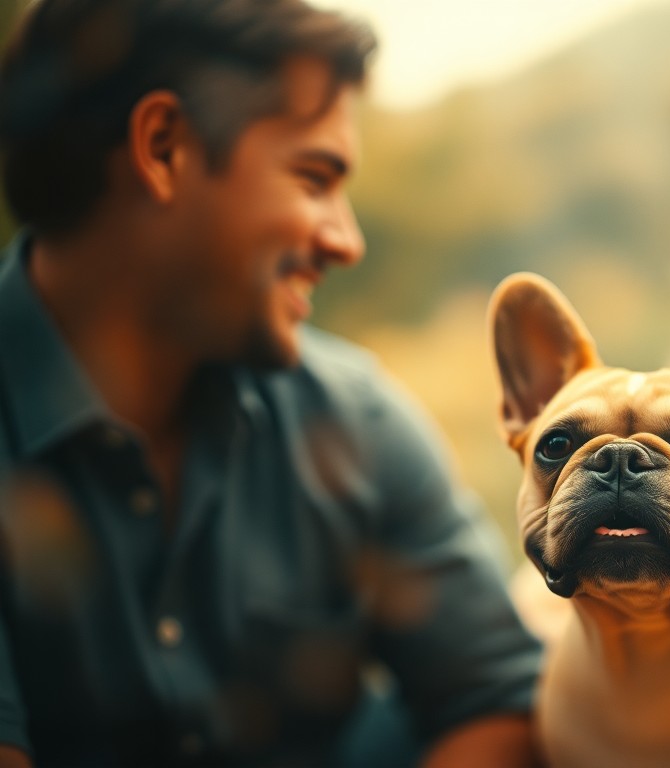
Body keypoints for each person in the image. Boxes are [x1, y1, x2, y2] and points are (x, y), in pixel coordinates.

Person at [0, 1, 543, 766]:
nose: (345, 242)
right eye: (314, 178)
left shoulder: (357, 421)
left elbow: (493, 695)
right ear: (164, 148)